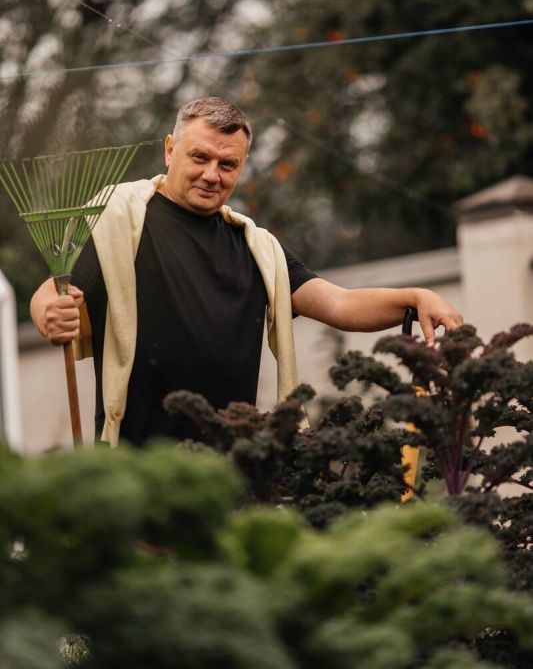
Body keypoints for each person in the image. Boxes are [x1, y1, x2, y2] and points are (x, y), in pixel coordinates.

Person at [30, 97, 463, 447]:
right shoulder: (121, 221)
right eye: (199, 157)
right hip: (141, 469)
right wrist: (49, 314)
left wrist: (414, 297)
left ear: (242, 165)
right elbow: (54, 292)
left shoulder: (257, 249)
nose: (211, 175)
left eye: (228, 164)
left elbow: (339, 303)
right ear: (169, 149)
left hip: (236, 468)